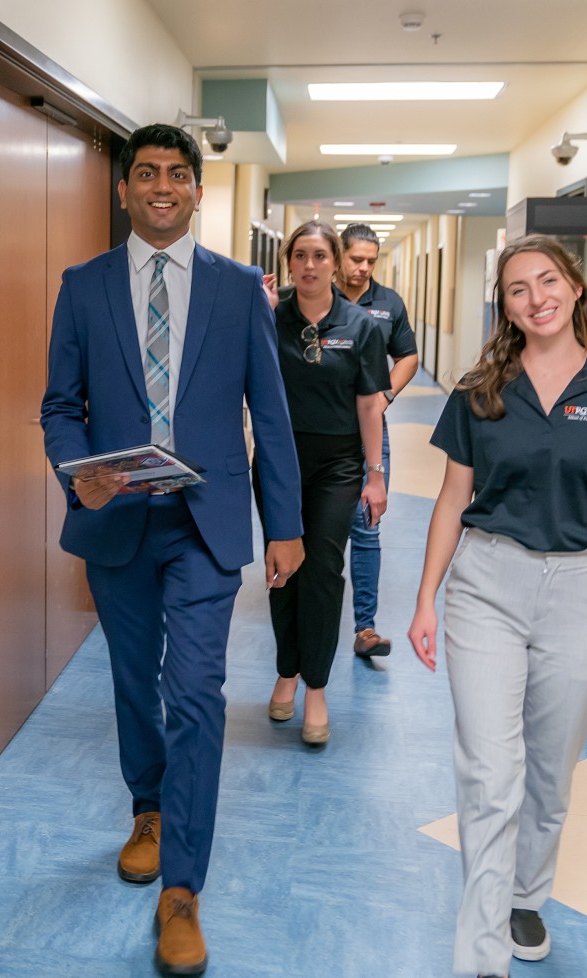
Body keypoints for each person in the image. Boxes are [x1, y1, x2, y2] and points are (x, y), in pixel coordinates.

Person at [41, 123, 304, 978]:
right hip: (119, 519)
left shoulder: (239, 291)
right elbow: (60, 405)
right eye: (146, 173)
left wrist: (288, 524)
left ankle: (182, 890)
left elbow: (269, 412)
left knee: (195, 691)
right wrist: (74, 470)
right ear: (123, 189)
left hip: (206, 520)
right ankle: (146, 807)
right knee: (132, 682)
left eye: (178, 175)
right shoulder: (82, 287)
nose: (162, 186)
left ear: (197, 191)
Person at [407, 233, 587, 978]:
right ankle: (481, 957)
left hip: (583, 589)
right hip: (487, 585)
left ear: (576, 286)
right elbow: (452, 500)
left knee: (549, 770)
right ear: (505, 306)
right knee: (489, 774)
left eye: (548, 280)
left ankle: (528, 893)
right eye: (518, 288)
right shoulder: (481, 389)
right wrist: (426, 598)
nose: (537, 297)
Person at [256, 220, 389, 745]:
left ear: (335, 261)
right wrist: (258, 318)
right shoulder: (270, 318)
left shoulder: (361, 326)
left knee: (324, 569)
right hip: (277, 461)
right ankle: (286, 670)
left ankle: (315, 685)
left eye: (319, 255)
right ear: (288, 262)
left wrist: (375, 474)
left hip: (338, 464)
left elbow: (368, 404)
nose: (309, 266)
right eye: (300, 256)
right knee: (281, 565)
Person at [336, 223, 419, 658]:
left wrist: (385, 396)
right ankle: (312, 618)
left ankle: (365, 628)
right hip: (317, 430)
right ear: (340, 255)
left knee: (367, 524)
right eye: (356, 259)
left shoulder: (387, 303)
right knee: (315, 528)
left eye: (371, 260)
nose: (364, 268)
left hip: (370, 432)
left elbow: (408, 355)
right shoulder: (314, 298)